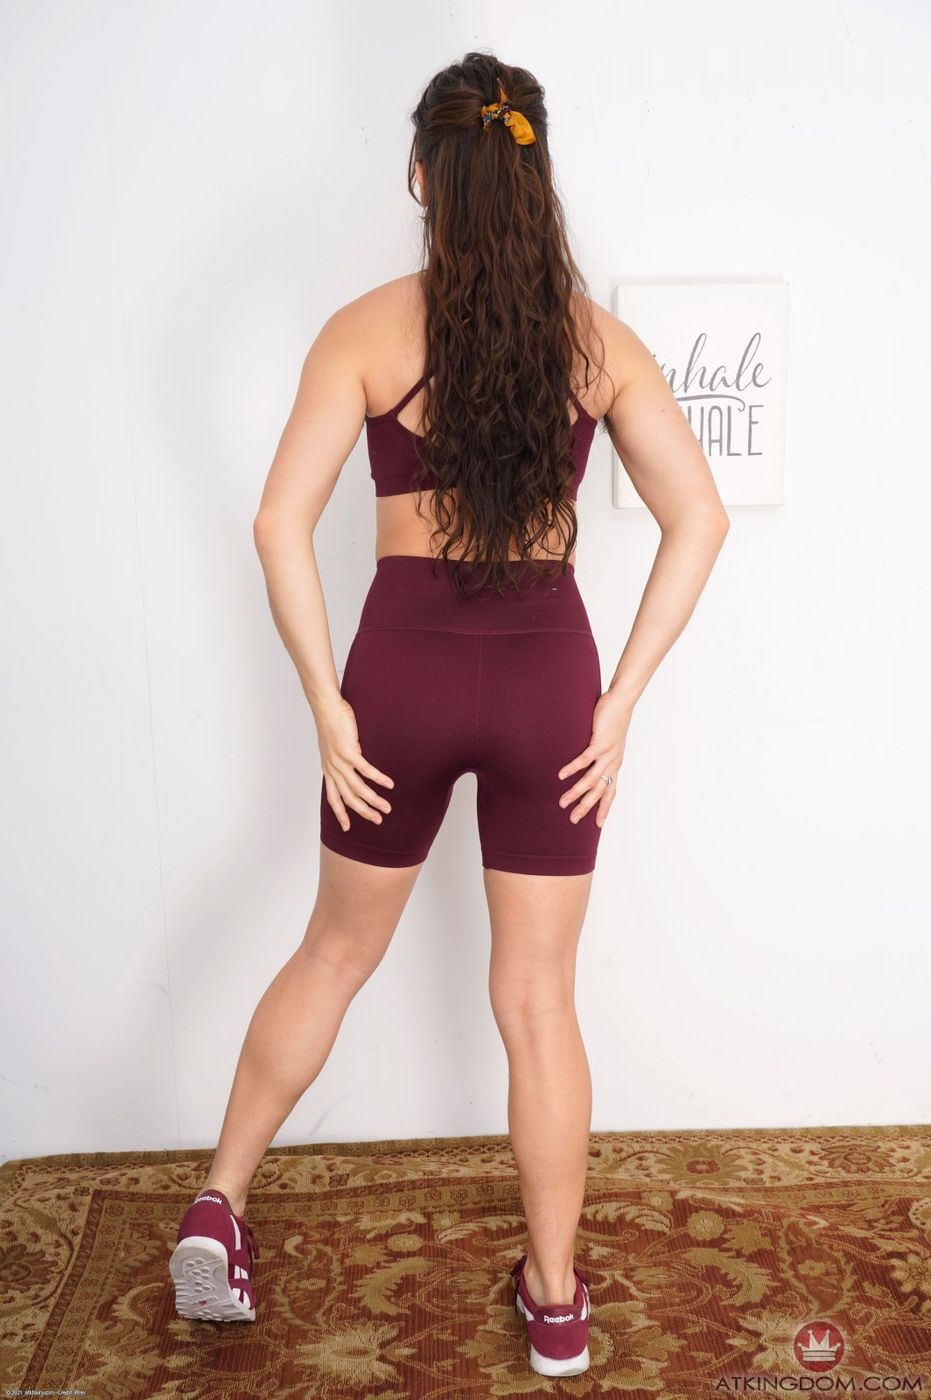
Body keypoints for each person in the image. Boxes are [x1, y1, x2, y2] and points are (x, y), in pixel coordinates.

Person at [168, 51, 729, 1380]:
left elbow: (277, 524)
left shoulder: (365, 330)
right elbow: (698, 518)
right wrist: (620, 702)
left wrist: (327, 704)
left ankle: (219, 1206)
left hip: (402, 679)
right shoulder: (596, 345)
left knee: (330, 955)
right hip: (548, 687)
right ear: (534, 175)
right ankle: (556, 1302)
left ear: (424, 175)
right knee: (538, 1001)